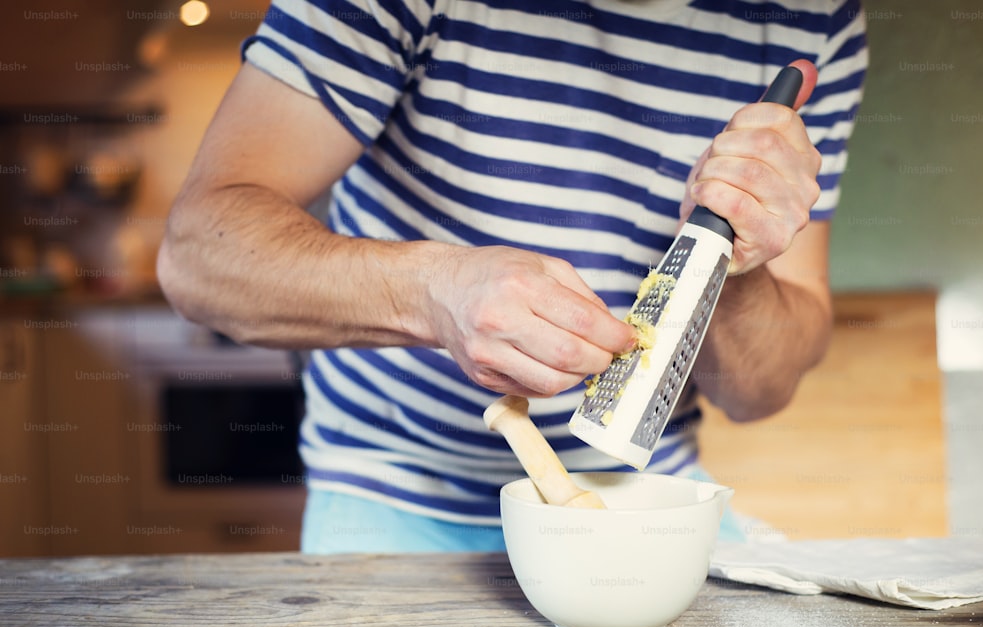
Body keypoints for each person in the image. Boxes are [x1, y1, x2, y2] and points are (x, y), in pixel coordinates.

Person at [158, 0, 868, 552]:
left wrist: (734, 259)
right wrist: (435, 292)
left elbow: (760, 391)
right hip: (398, 497)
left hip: (644, 495)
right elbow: (197, 256)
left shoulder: (813, 21)